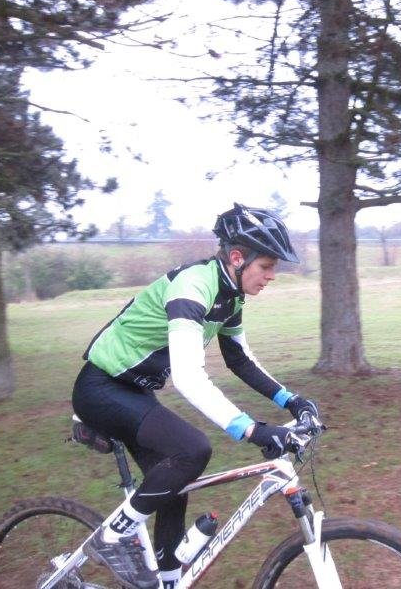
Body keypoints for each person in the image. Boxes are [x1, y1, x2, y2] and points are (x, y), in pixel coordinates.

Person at [72, 203, 319, 589]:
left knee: (174, 486)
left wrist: (291, 400)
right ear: (238, 257)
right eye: (267, 266)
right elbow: (188, 376)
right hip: (101, 388)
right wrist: (252, 430)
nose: (272, 276)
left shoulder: (230, 293)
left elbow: (239, 359)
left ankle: (168, 582)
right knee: (193, 450)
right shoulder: (194, 286)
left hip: (132, 392)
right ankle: (112, 536)